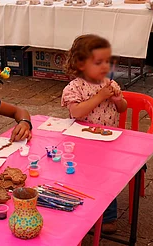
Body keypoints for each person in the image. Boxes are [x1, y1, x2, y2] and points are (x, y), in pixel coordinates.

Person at [61, 34, 128, 234]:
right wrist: (99, 97)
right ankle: (81, 210)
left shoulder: (109, 84)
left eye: (106, 62)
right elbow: (76, 112)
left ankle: (108, 218)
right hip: (83, 142)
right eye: (97, 62)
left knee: (107, 179)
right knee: (82, 178)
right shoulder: (74, 87)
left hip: (108, 141)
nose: (104, 67)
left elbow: (123, 108)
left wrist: (117, 99)